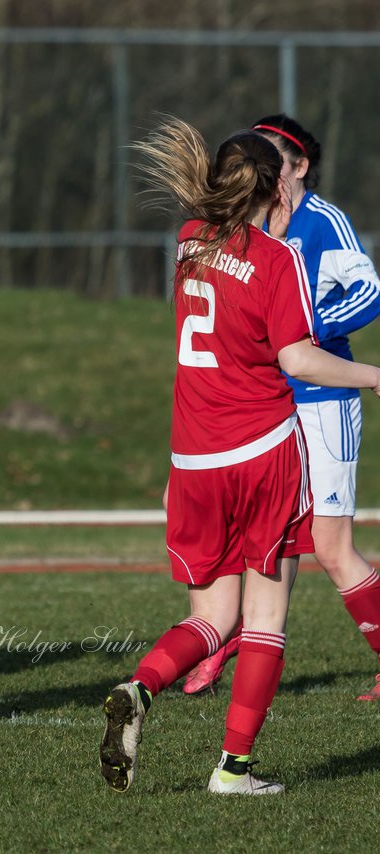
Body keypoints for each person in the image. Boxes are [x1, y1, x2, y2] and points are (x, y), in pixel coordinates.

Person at [99, 119, 380, 796]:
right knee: (266, 617)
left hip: (194, 459)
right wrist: (374, 375)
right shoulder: (276, 261)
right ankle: (235, 768)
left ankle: (141, 684)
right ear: (273, 185)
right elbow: (296, 358)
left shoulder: (189, 242)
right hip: (262, 453)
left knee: (211, 617)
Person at [183, 115, 380, 702]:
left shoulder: (323, 221)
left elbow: (369, 293)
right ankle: (216, 641)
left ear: (298, 167)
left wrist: (305, 335)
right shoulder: (239, 226)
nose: (262, 166)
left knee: (330, 545)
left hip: (322, 398)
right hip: (264, 405)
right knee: (254, 534)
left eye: (274, 156)